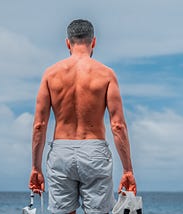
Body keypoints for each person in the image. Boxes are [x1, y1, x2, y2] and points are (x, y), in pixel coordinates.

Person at [29, 19, 137, 214]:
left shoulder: (50, 74)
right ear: (93, 42)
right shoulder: (106, 74)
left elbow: (39, 125)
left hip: (61, 152)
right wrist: (128, 170)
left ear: (67, 43)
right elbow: (118, 125)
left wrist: (36, 168)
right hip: (94, 151)